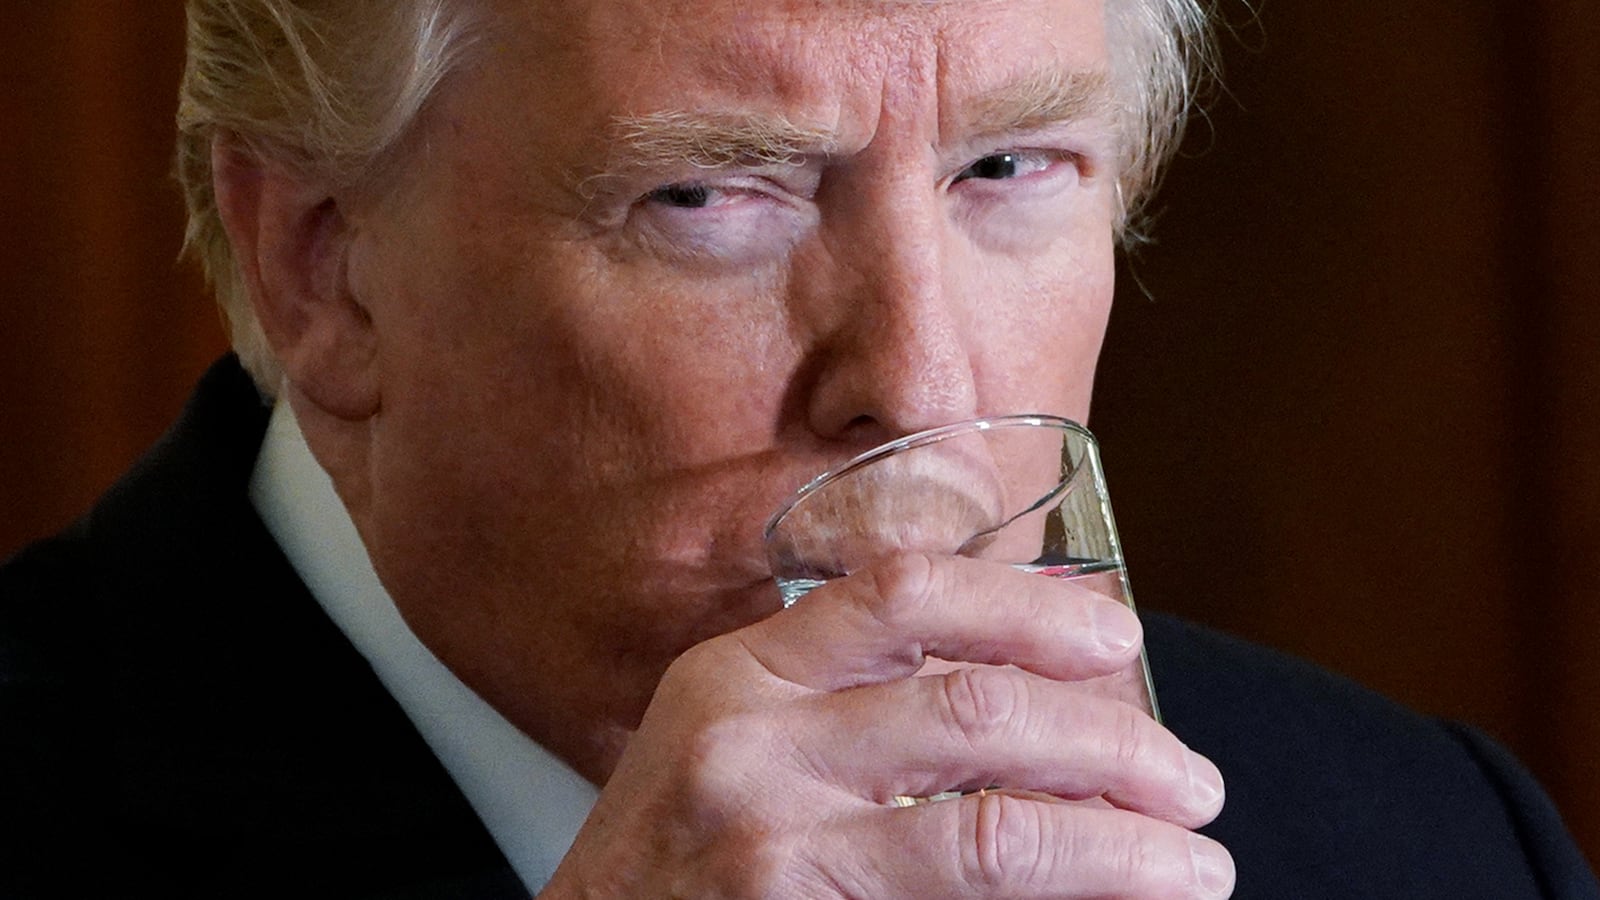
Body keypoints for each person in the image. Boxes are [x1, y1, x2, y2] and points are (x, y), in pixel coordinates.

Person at [2, 0, 1595, 897]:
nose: (920, 383)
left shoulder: (1431, 843)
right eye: (711, 197)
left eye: (1007, 168)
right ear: (324, 270)